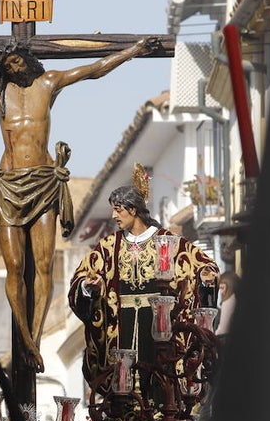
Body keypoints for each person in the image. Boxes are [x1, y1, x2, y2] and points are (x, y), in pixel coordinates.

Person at [0, 36, 159, 372]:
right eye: (8, 65)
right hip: (10, 183)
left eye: (18, 61)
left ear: (28, 59)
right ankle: (24, 338)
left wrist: (133, 50)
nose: (15, 68)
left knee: (42, 266)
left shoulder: (49, 83)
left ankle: (36, 339)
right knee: (14, 266)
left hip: (43, 182)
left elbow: (94, 69)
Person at [68, 165, 218, 399]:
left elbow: (202, 265)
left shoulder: (169, 242)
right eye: (113, 210)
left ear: (134, 209)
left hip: (158, 323)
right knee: (123, 386)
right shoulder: (108, 247)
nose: (114, 216)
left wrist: (206, 276)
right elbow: (82, 278)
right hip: (121, 326)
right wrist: (89, 288)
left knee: (160, 379)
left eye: (118, 210)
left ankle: (160, 406)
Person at [216, 269, 239, 339]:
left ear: (230, 286)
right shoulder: (238, 298)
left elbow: (222, 330)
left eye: (222, 288)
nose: (221, 292)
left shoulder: (228, 302)